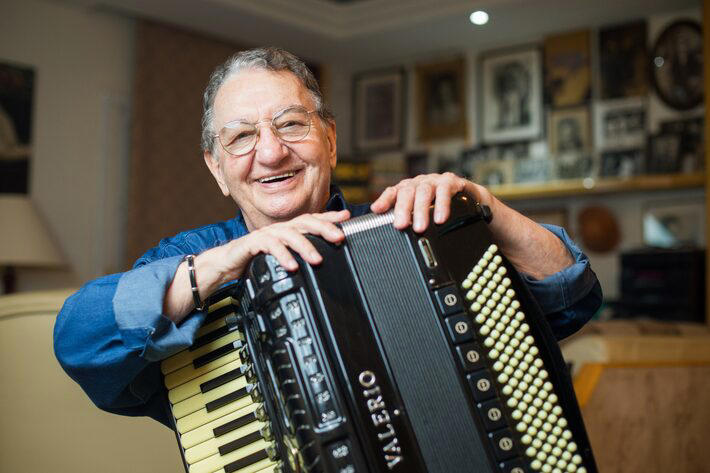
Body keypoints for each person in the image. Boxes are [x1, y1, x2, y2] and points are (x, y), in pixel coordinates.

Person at [53, 47, 602, 429]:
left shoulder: (409, 229)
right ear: (217, 170)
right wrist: (219, 267)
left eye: (291, 124)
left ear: (330, 141)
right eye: (241, 137)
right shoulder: (187, 265)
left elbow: (571, 298)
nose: (270, 153)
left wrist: (481, 208)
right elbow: (79, 342)